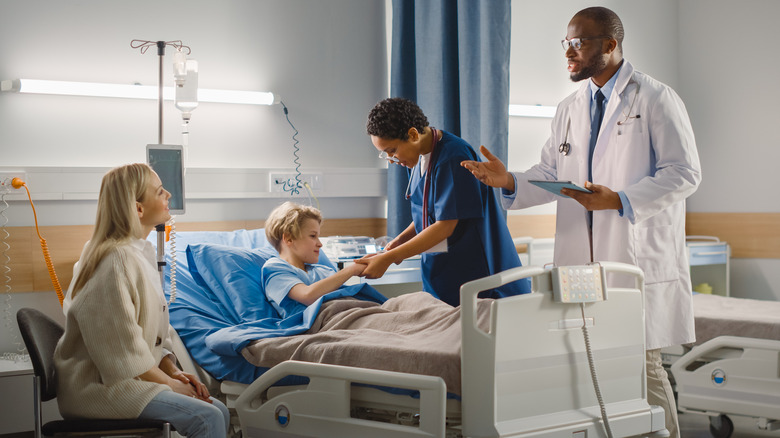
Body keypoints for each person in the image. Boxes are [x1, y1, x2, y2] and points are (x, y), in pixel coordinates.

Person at [461, 7, 700, 437]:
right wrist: (510, 179)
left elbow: (684, 172)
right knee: (590, 364)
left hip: (632, 256)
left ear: (610, 45)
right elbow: (553, 175)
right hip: (580, 261)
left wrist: (620, 200)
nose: (569, 52)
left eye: (580, 42)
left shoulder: (655, 98)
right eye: (566, 43)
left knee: (640, 365)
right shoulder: (570, 107)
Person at [53, 163, 229, 438]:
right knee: (206, 417)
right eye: (160, 192)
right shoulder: (114, 261)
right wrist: (169, 383)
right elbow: (122, 351)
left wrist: (172, 370)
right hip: (101, 388)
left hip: (130, 380)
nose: (168, 195)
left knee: (221, 410)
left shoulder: (139, 252)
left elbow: (153, 335)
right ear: (138, 208)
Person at [358, 97, 530, 306]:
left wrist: (389, 258)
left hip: (478, 275)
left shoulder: (452, 157)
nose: (392, 160)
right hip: (444, 274)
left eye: (392, 151)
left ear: (412, 135)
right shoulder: (421, 158)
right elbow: (429, 211)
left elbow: (445, 226)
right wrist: (399, 241)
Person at [262, 201, 367, 315]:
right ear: (289, 239)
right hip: (330, 319)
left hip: (357, 310)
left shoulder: (324, 271)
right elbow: (307, 296)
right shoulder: (275, 268)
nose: (320, 244)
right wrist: (353, 269)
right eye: (313, 236)